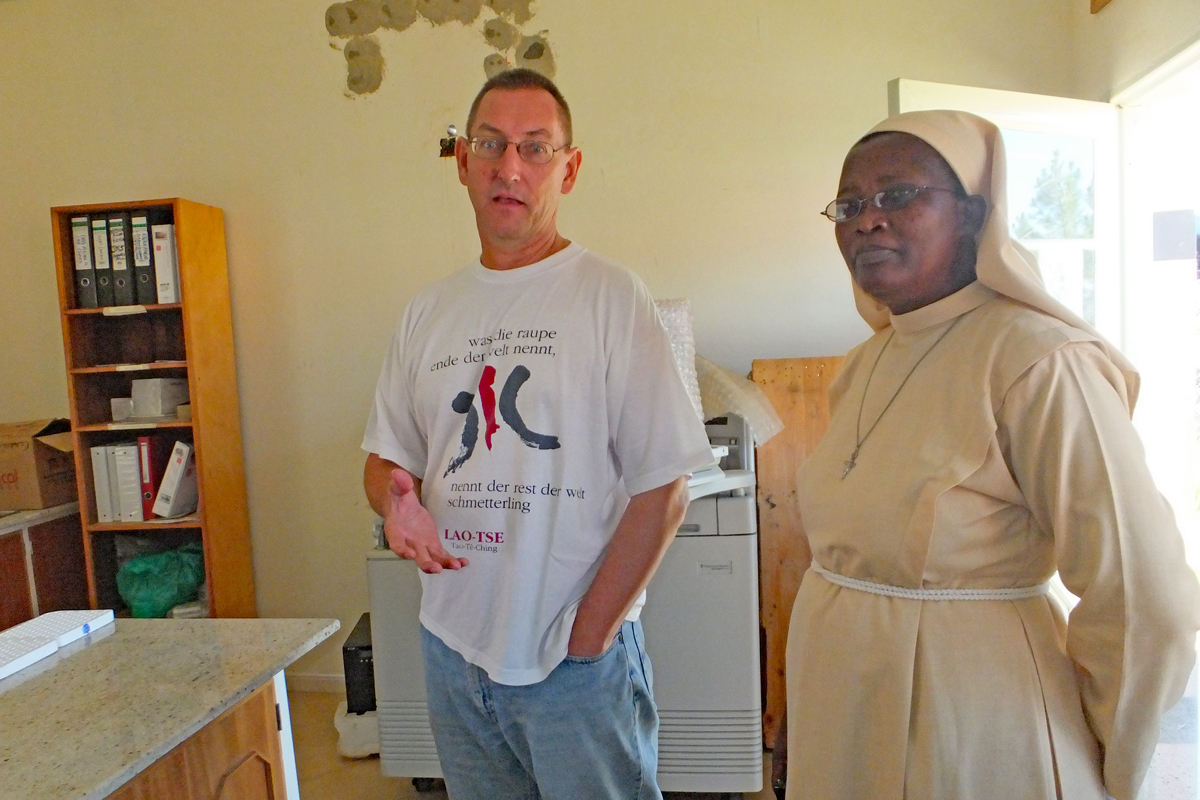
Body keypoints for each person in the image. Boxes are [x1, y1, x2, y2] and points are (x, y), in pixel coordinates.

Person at [781, 109, 1200, 800]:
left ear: (973, 215)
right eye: (850, 204)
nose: (867, 220)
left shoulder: (1040, 360)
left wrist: (1104, 744)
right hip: (845, 717)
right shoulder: (865, 362)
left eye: (898, 195)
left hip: (974, 726)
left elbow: (1145, 596)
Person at [361, 68, 713, 800]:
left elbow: (666, 488)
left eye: (535, 147)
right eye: (490, 144)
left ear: (570, 168)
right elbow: (386, 459)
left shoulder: (612, 297)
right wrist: (396, 503)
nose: (509, 167)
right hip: (452, 650)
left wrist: (590, 638)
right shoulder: (427, 313)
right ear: (462, 162)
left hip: (571, 667)